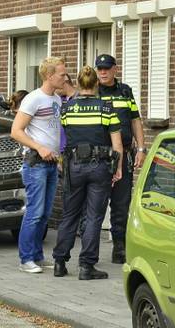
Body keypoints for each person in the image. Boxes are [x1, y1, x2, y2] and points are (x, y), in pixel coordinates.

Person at [52, 66, 123, 280]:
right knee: (93, 217)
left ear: (80, 84)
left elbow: (63, 140)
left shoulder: (67, 109)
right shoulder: (107, 109)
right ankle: (86, 266)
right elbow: (117, 144)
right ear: (96, 84)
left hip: (73, 165)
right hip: (99, 167)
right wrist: (118, 169)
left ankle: (59, 262)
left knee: (70, 214)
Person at [11, 57, 66, 274]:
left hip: (51, 164)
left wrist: (58, 155)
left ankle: (37, 256)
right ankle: (26, 259)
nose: (65, 77)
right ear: (49, 75)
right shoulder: (33, 99)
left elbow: (54, 131)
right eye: (61, 74)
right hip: (36, 164)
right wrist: (40, 147)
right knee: (34, 211)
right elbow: (16, 131)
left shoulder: (57, 100)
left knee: (45, 213)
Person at [96, 54, 145, 264]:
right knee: (96, 204)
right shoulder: (92, 92)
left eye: (107, 68)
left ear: (115, 69)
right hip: (99, 155)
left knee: (121, 204)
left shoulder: (125, 91)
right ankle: (89, 252)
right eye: (100, 69)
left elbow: (135, 120)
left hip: (123, 154)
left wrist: (141, 148)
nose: (103, 72)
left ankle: (119, 248)